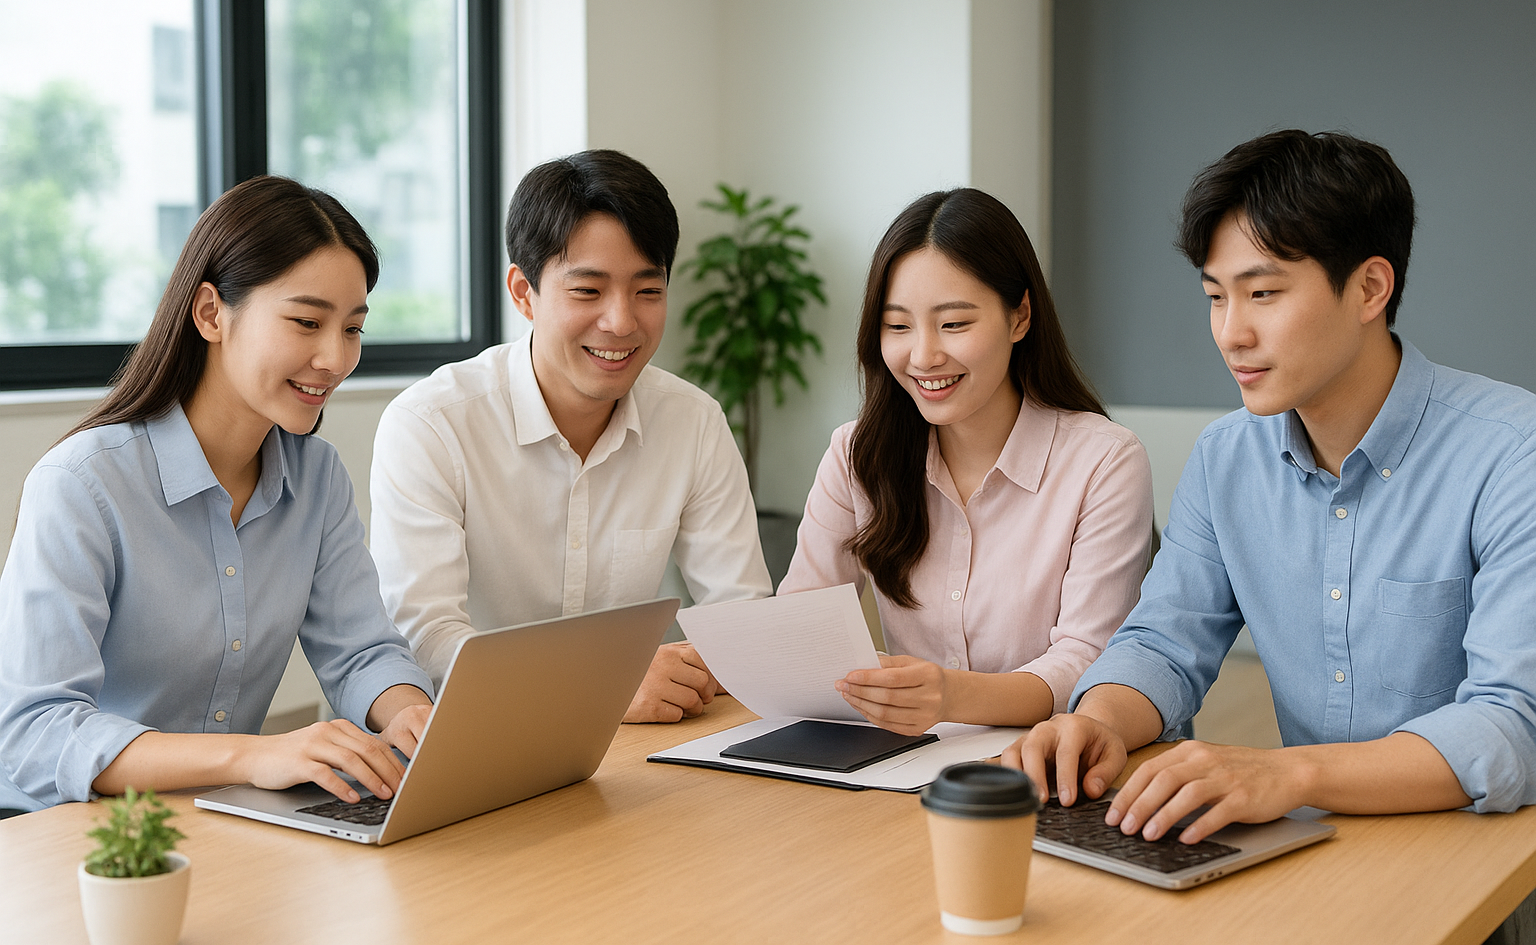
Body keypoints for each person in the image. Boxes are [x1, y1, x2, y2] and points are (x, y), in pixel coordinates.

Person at [1004, 131, 1536, 853]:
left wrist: (1289, 775)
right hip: (1311, 851)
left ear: (1370, 288)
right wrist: (1097, 721)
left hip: (1477, 860)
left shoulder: (1511, 451)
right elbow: (1163, 641)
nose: (1231, 333)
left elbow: (1513, 722)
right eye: (1215, 297)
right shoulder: (1226, 458)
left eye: (1262, 294)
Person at [0, 176, 435, 814]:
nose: (335, 358)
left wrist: (411, 716)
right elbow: (33, 733)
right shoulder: (83, 485)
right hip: (75, 840)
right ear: (211, 313)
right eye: (307, 322)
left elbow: (360, 649)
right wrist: (255, 755)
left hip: (218, 819)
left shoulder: (316, 477)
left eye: (352, 329)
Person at [370, 149, 771, 723]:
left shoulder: (693, 422)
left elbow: (743, 617)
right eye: (588, 291)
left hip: (631, 747)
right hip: (478, 735)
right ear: (523, 292)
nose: (622, 322)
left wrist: (704, 662)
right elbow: (424, 636)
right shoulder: (432, 425)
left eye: (648, 291)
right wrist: (598, 686)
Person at [777, 188, 1154, 735]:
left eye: (953, 324)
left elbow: (1088, 662)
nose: (923, 356)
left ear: (1020, 316)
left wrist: (951, 696)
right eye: (898, 326)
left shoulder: (1104, 461)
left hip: (1048, 758)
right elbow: (801, 628)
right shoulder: (857, 454)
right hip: (903, 764)